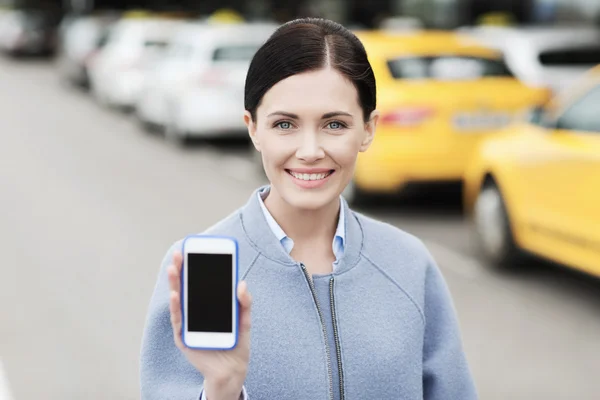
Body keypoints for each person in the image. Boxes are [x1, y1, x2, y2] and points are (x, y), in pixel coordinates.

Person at [140, 17, 478, 400]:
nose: (310, 151)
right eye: (285, 124)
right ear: (253, 128)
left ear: (368, 129)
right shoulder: (202, 269)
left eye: (334, 125)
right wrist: (222, 389)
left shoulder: (409, 264)